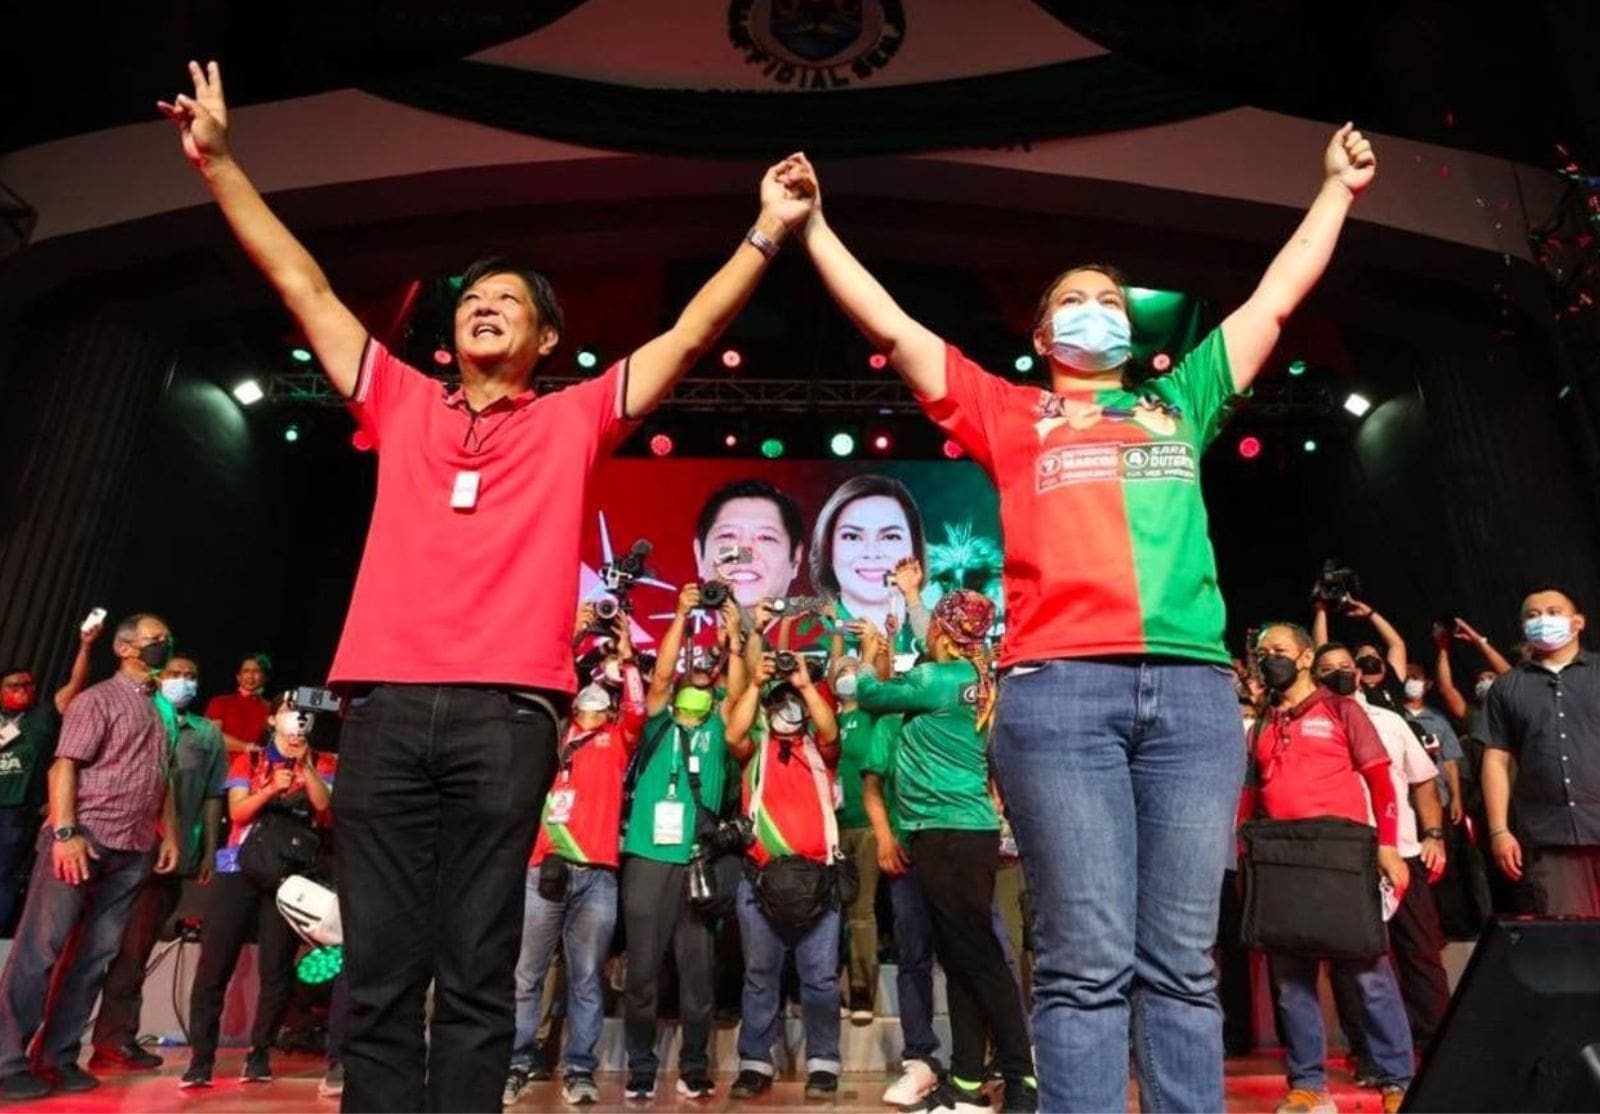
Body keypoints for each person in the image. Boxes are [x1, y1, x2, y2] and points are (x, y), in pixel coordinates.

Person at [160, 60, 811, 1111]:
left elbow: (686, 335)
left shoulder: (571, 419)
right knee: (376, 969)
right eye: (473, 300)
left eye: (511, 302)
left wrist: (765, 232)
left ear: (547, 338)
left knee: (475, 967)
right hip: (382, 710)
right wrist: (223, 165)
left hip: (508, 716)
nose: (485, 308)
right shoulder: (401, 402)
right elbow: (304, 284)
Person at [783, 122, 1379, 1111]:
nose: (1095, 312)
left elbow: (1277, 296)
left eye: (1110, 301)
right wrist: (812, 232)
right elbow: (892, 329)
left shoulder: (1177, 401)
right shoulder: (1010, 414)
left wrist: (1334, 193)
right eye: (1073, 301)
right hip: (1058, 697)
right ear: (1040, 333)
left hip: (1191, 697)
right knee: (1084, 958)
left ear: (1134, 332)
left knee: (1184, 960)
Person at [857, 590, 1036, 1112]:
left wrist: (872, 648)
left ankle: (1023, 1080)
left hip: (946, 834)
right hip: (961, 833)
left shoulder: (935, 681)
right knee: (962, 959)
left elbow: (868, 691)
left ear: (940, 631)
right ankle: (965, 1083)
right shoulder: (978, 684)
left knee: (979, 959)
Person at [0, 614, 180, 1102]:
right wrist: (65, 832)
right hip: (84, 838)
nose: (164, 645)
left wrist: (169, 834)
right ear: (124, 649)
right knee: (42, 949)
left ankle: (57, 1056)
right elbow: (64, 766)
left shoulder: (162, 709)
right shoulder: (97, 699)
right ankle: (7, 1060)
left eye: (166, 640)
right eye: (154, 640)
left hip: (133, 847)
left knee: (96, 957)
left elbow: (161, 774)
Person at [1245, 625, 1412, 1114]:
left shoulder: (1342, 709)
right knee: (1290, 977)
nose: (1268, 658)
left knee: (1367, 971)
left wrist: (1386, 845)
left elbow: (1381, 780)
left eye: (1278, 651)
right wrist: (1244, 853)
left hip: (1341, 855)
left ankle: (1396, 1077)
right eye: (1262, 653)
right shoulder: (1262, 722)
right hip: (1281, 857)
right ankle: (1308, 1086)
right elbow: (1251, 795)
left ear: (1304, 657)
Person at [503, 624, 645, 1108]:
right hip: (543, 867)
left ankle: (580, 1070)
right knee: (527, 976)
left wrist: (626, 660)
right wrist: (580, 634)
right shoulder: (554, 734)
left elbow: (639, 708)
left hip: (597, 873)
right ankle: (516, 1064)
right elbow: (549, 684)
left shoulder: (617, 739)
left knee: (586, 979)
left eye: (600, 699)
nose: (591, 701)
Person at [617, 585, 743, 1102]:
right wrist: (684, 614)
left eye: (706, 666)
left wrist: (734, 639)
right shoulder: (656, 723)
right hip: (648, 858)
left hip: (696, 862)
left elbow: (740, 693)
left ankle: (694, 1066)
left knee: (697, 975)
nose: (696, 670)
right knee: (643, 973)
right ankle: (641, 1066)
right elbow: (663, 675)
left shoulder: (720, 722)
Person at [182, 693, 334, 1088]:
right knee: (215, 963)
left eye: (303, 716)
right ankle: (200, 1060)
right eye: (288, 713)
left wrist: (305, 767)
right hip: (237, 868)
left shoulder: (325, 762)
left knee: (277, 967)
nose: (296, 721)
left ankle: (260, 1054)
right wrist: (269, 789)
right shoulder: (247, 761)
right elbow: (237, 812)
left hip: (288, 878)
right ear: (272, 721)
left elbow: (324, 809)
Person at [1314, 645, 1450, 1077]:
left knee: (1421, 954)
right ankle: (1368, 1054)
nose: (1338, 675)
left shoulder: (1390, 722)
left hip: (1403, 853)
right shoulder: (1309, 725)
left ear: (1360, 673)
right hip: (1344, 861)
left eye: (1345, 668)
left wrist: (1434, 835)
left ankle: (1435, 1046)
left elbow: (1424, 782)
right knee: (1352, 962)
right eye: (1327, 670)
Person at [89, 654, 226, 1071]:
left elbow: (212, 795)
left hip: (167, 859)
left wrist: (208, 852)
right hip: (113, 846)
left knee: (135, 951)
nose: (183, 681)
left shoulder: (206, 733)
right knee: (90, 948)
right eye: (174, 674)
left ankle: (114, 1041)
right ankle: (52, 1041)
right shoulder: (138, 716)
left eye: (191, 675)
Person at [724, 651, 842, 1102]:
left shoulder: (821, 751)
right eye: (780, 703)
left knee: (820, 980)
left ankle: (824, 1063)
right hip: (761, 882)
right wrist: (756, 684)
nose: (787, 711)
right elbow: (734, 730)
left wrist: (805, 684)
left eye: (794, 705)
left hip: (819, 882)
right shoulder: (754, 751)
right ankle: (755, 1064)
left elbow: (829, 728)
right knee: (759, 975)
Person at [1483, 588, 1600, 914]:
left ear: (1577, 622)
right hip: (1549, 835)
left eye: (1553, 611)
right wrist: (1499, 830)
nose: (1543, 620)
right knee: (1570, 943)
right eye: (1533, 615)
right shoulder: (1507, 687)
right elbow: (1496, 759)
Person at [0, 619, 101, 935]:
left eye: (27, 685)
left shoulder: (42, 714)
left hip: (18, 809)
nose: (22, 691)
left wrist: (85, 646)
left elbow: (76, 684)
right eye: (14, 686)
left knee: (5, 873)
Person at [809, 474, 925, 652]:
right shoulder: (803, 638)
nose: (871, 553)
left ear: (914, 548)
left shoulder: (945, 631)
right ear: (828, 549)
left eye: (890, 537)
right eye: (852, 536)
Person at [826, 653, 879, 1023]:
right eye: (843, 671)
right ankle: (826, 986)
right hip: (828, 825)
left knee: (861, 910)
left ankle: (861, 989)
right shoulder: (824, 720)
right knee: (827, 912)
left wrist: (877, 647)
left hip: (866, 826)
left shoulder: (873, 716)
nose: (848, 676)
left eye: (855, 672)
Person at [693, 479, 807, 611]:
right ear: (699, 556)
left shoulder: (830, 631)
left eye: (766, 537)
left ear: (796, 560)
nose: (744, 553)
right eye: (728, 536)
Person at [204, 652, 272, 754]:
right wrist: (248, 747)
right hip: (224, 767)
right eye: (246, 671)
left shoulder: (271, 707)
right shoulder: (220, 702)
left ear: (265, 677)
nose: (250, 676)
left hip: (257, 767)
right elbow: (211, 737)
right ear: (238, 677)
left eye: (256, 671)